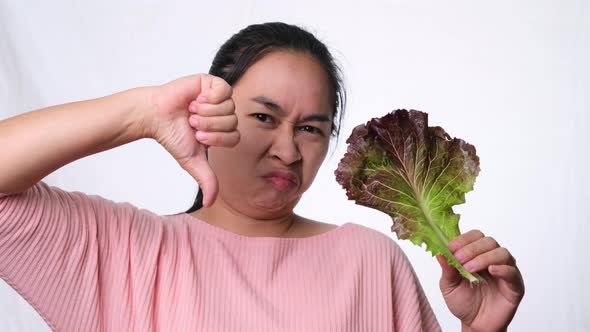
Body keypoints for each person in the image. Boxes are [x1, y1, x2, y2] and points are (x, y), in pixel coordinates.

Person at [0, 22, 524, 331]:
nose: (288, 150)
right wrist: (142, 112)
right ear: (208, 117)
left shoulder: (370, 261)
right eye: (264, 117)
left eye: (312, 129)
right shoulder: (130, 254)